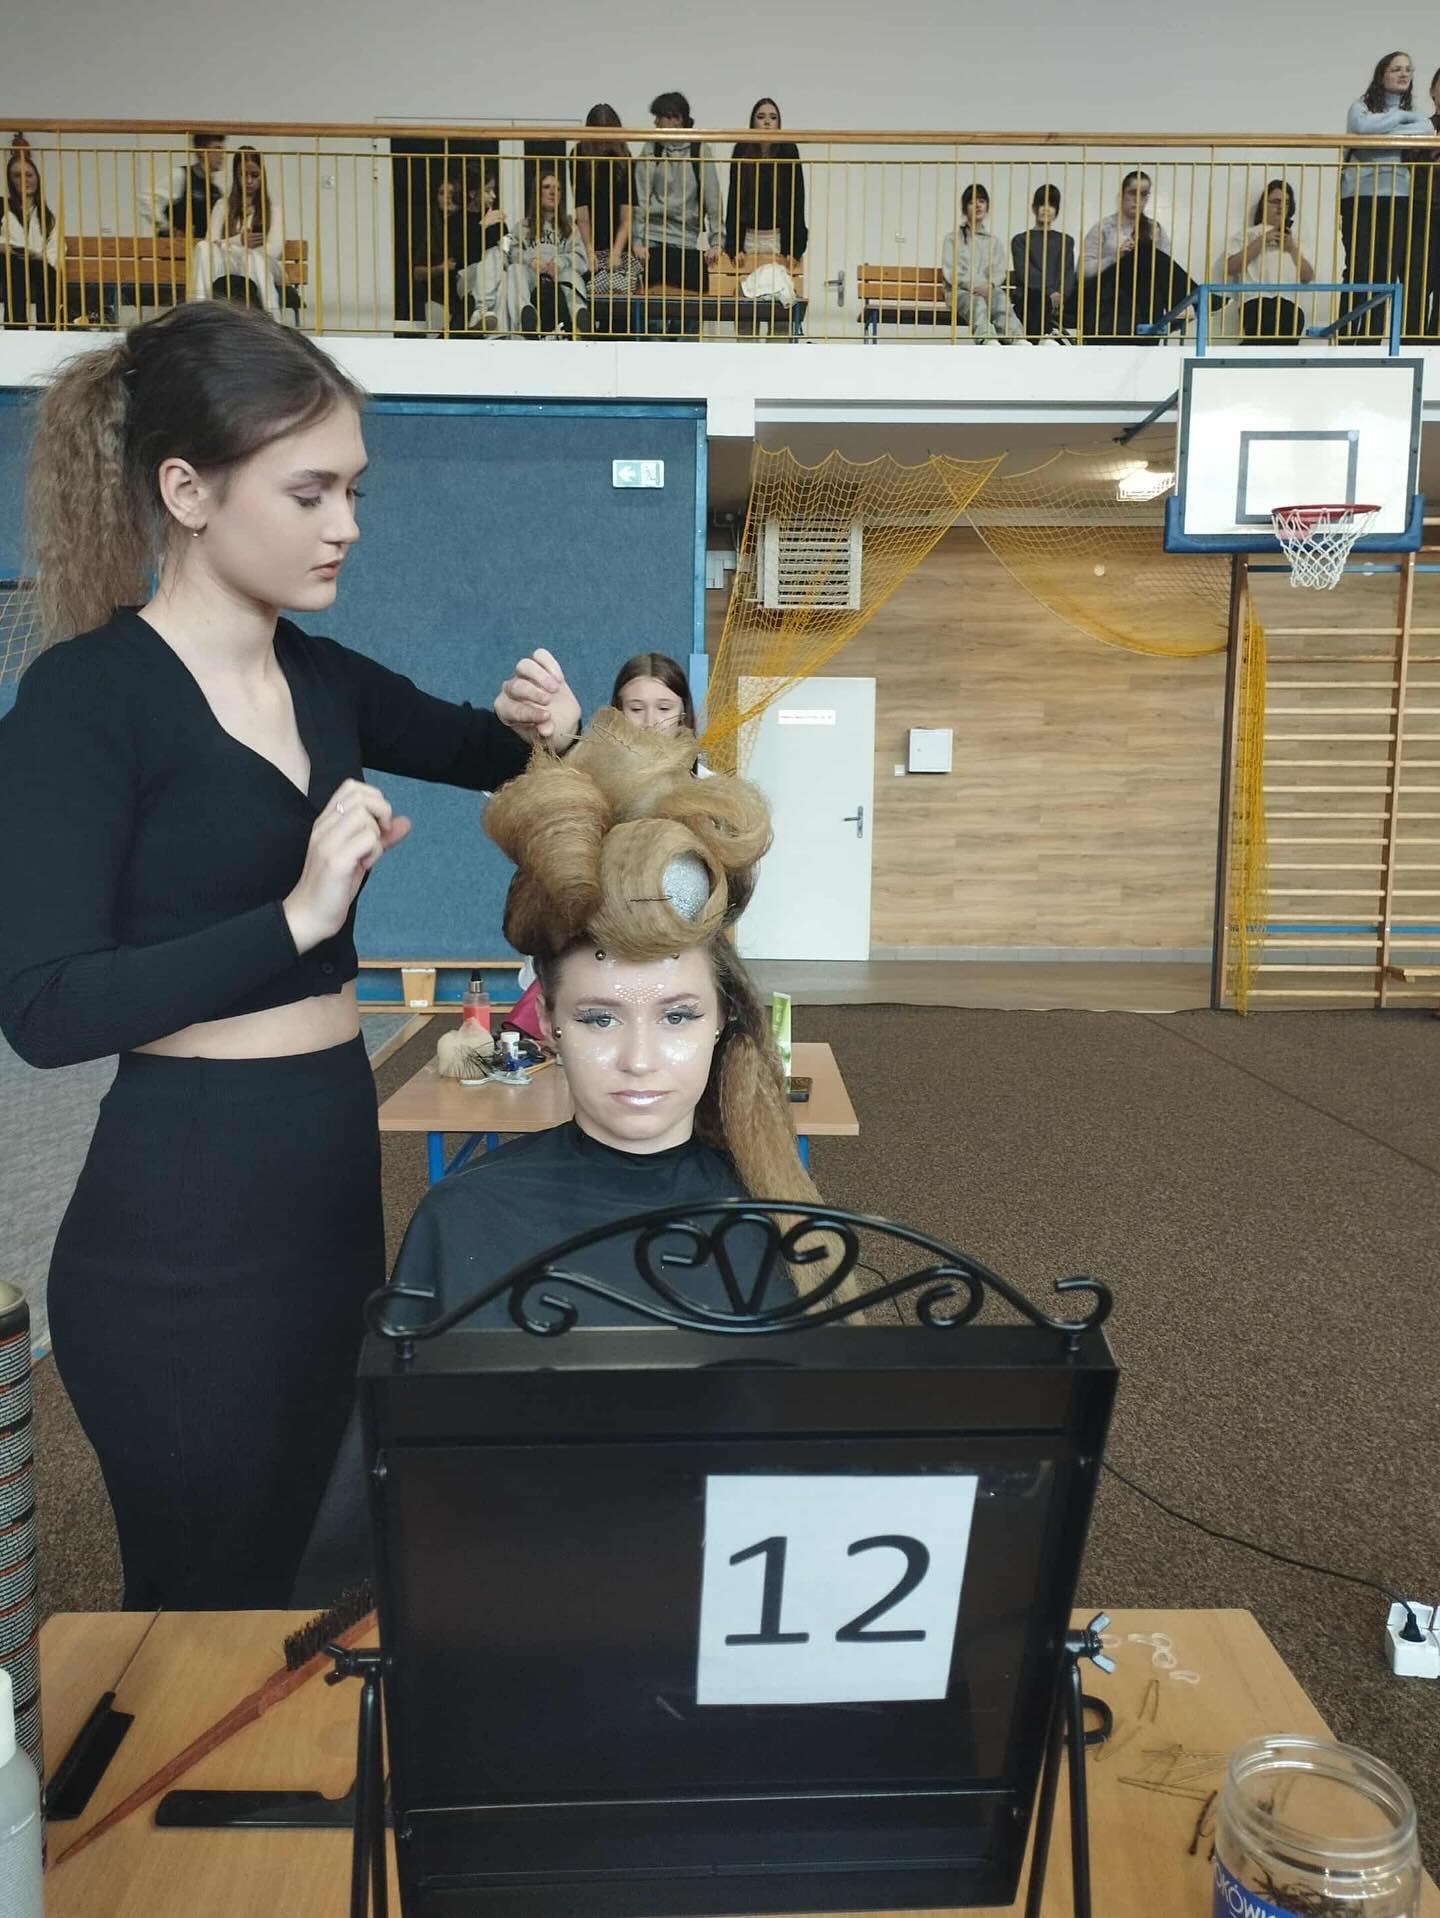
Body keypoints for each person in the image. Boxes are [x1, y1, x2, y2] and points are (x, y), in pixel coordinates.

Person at [0, 300, 581, 1611]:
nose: (347, 524)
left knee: (323, 1574)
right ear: (187, 491)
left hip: (325, 1182)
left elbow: (492, 752)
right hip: (181, 1224)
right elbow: (45, 1006)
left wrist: (551, 725)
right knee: (204, 1603)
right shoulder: (85, 700)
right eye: (310, 491)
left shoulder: (323, 679)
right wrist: (296, 917)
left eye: (353, 490)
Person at [292, 710, 840, 1604]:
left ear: (724, 1022)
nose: (638, 1060)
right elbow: (391, 1493)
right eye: (598, 1017)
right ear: (546, 1023)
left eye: (676, 1015)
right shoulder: (465, 1219)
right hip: (519, 1600)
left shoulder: (781, 1222)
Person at [1339, 51, 1434, 341]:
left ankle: (1370, 336)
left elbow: (1427, 128)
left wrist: (1387, 128)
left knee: (1387, 268)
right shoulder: (1360, 107)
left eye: (1408, 69)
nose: (1404, 74)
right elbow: (1363, 128)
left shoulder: (1414, 111)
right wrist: (1402, 120)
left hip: (1399, 195)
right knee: (1359, 266)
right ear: (1382, 75)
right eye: (1396, 69)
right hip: (1360, 194)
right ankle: (1346, 334)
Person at [632, 91, 723, 335]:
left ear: (676, 119)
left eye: (659, 117)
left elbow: (713, 197)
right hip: (653, 239)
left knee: (688, 320)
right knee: (653, 321)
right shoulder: (652, 148)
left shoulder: (699, 150)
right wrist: (637, 240)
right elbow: (640, 197)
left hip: (687, 240)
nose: (655, 122)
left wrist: (717, 241)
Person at [1073, 170, 1194, 342]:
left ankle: (1184, 304)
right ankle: (1191, 302)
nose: (1138, 200)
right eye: (1132, 193)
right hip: (1108, 299)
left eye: (1143, 194)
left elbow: (1166, 269)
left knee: (1147, 253)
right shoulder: (1104, 227)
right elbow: (1082, 271)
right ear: (1122, 195)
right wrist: (1116, 257)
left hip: (1144, 305)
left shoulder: (1155, 229)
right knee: (1144, 252)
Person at [191, 146, 286, 318]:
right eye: (243, 175)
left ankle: (273, 319)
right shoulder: (223, 205)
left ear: (262, 175)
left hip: (264, 264)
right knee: (203, 247)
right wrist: (239, 241)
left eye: (254, 175)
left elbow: (274, 250)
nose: (249, 181)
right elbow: (211, 242)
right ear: (236, 176)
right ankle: (198, 312)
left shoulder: (273, 209)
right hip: (233, 261)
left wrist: (237, 247)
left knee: (253, 258)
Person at [1215, 181, 1315, 343]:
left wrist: (1292, 249)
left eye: (1286, 203)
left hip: (1291, 304)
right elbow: (1230, 267)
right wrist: (1262, 241)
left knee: (1283, 352)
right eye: (1275, 201)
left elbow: (1308, 276)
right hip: (1257, 301)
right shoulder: (1247, 235)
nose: (1281, 207)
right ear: (1263, 204)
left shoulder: (1296, 240)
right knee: (1263, 345)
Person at [572, 104, 637, 335]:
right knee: (590, 302)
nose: (602, 144)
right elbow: (582, 213)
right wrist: (589, 251)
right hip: (590, 237)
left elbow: (627, 216)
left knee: (619, 310)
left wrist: (617, 252)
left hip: (619, 239)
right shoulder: (579, 154)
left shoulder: (624, 157)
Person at [723, 97, 808, 270]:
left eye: (773, 117)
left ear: (779, 123)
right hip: (748, 236)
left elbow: (797, 198)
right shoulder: (742, 149)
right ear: (752, 122)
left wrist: (794, 248)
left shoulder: (788, 150)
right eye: (761, 117)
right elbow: (734, 198)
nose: (767, 122)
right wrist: (734, 246)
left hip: (778, 236)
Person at [503, 166, 587, 336]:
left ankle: (580, 317)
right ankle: (526, 317)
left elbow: (581, 258)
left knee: (572, 275)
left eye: (558, 189)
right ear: (537, 192)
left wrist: (560, 263)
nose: (553, 192)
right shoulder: (523, 225)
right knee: (515, 270)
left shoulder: (570, 228)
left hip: (559, 275)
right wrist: (531, 261)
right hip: (531, 274)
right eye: (547, 187)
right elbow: (512, 252)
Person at [941, 183, 1022, 341]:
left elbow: (999, 271)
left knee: (1001, 301)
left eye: (982, 201)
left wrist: (989, 286)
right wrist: (976, 286)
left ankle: (1017, 339)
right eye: (972, 202)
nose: (978, 205)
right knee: (977, 303)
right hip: (960, 292)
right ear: (965, 208)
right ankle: (987, 339)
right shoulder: (952, 239)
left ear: (987, 206)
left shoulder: (994, 242)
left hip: (989, 291)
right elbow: (952, 272)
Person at [1, 141, 61, 327]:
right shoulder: (2, 207)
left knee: (46, 272)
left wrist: (38, 255)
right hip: (7, 264)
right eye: (17, 176)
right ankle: (15, 327)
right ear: (11, 181)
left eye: (29, 175)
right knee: (15, 267)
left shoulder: (47, 216)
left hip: (36, 264)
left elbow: (56, 251)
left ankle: (48, 328)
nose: (25, 180)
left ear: (37, 178)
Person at [136, 129, 227, 242]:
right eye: (217, 149)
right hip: (175, 249)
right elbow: (146, 198)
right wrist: (166, 228)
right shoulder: (181, 175)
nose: (222, 155)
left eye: (223, 150)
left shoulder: (216, 190)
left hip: (201, 248)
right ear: (201, 151)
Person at [1011, 184, 1075, 339]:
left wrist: (1061, 295)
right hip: (1029, 300)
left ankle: (1046, 337)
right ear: (1034, 208)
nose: (1046, 209)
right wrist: (1050, 292)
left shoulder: (1066, 241)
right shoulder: (1020, 240)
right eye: (1042, 204)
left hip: (1059, 303)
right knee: (1035, 300)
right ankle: (1047, 336)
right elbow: (1025, 273)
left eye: (1051, 205)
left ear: (1057, 210)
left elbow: (1067, 273)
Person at [459, 160, 508, 332]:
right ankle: (481, 309)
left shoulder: (497, 219)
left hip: (494, 279)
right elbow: (461, 257)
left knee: (504, 269)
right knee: (492, 255)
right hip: (466, 279)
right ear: (473, 193)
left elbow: (506, 250)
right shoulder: (457, 220)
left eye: (493, 190)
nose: (493, 196)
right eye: (488, 191)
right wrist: (482, 226)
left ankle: (485, 319)